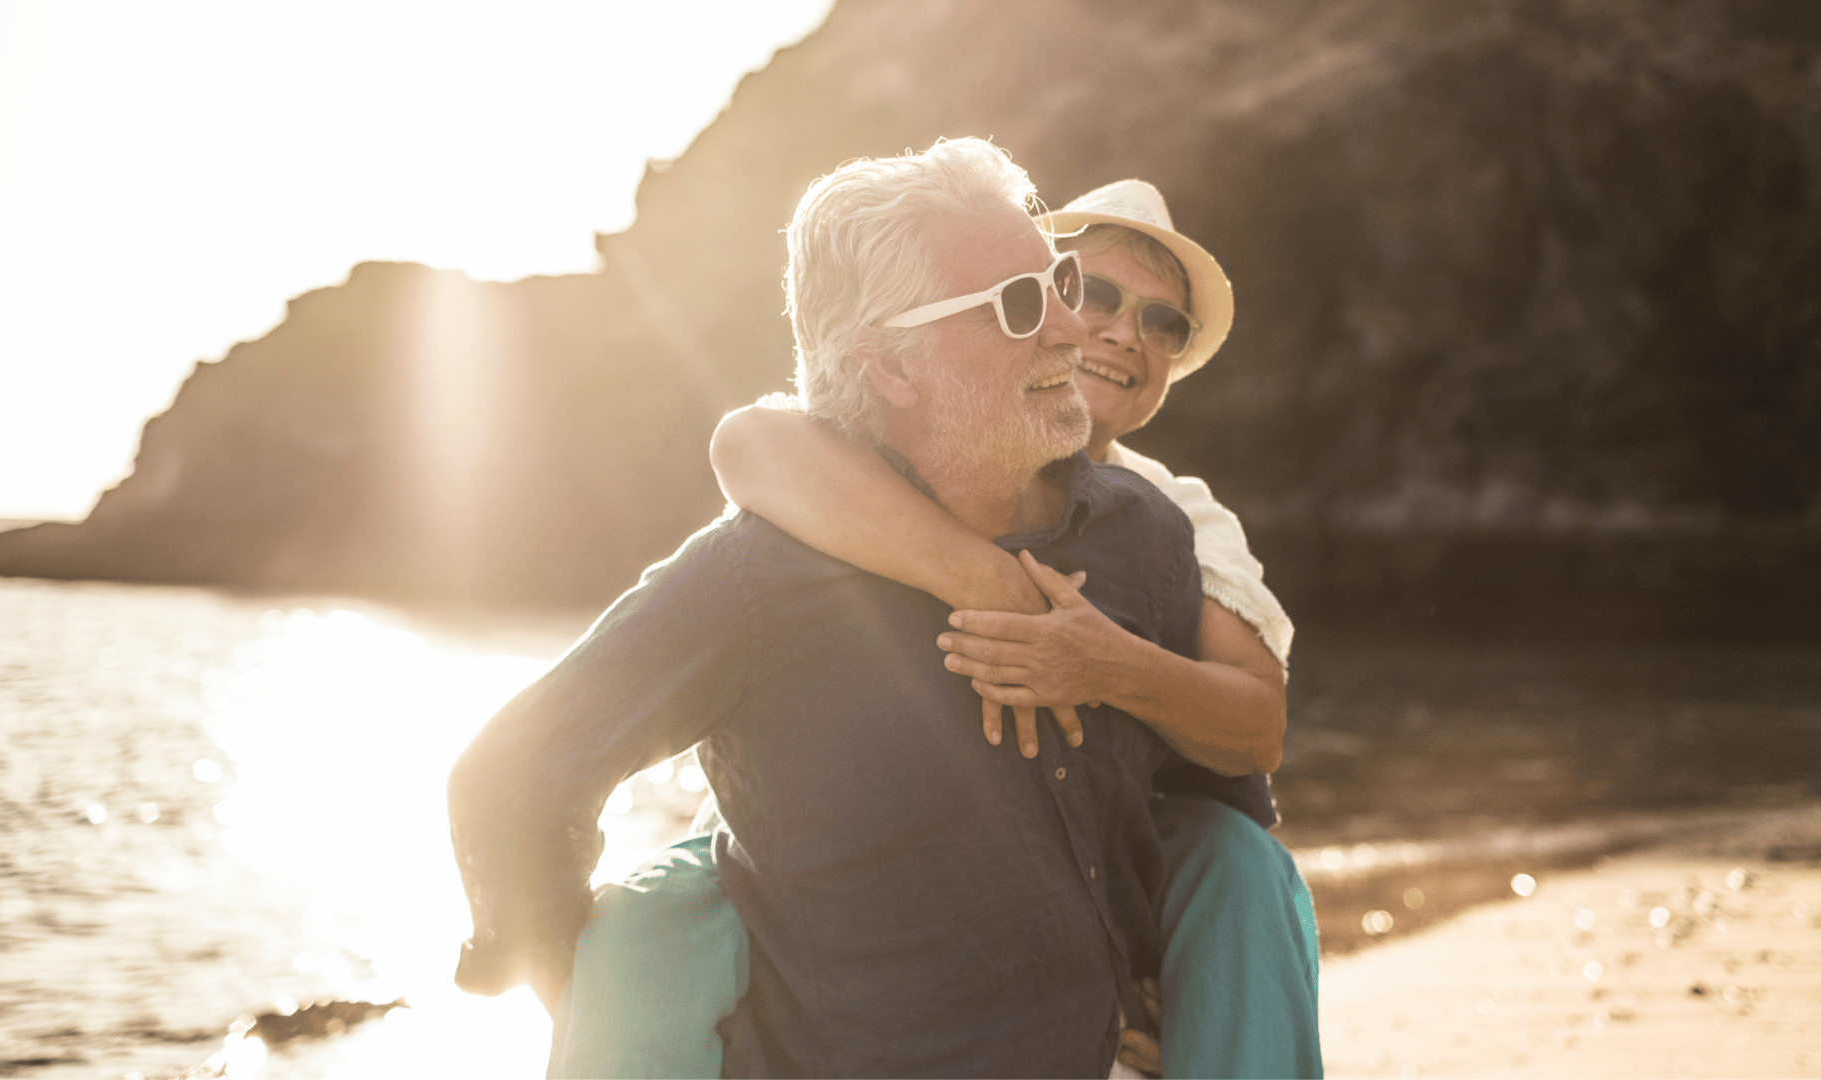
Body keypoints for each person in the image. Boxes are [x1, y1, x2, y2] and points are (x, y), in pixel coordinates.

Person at [536, 172, 1322, 1080]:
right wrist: (989, 580)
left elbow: (1252, 728)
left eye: (1162, 323)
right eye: (1083, 289)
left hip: (1081, 842)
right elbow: (751, 443)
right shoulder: (904, 448)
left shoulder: (1171, 519)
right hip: (814, 832)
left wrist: (1103, 663)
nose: (1108, 330)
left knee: (1238, 862)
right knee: (648, 921)